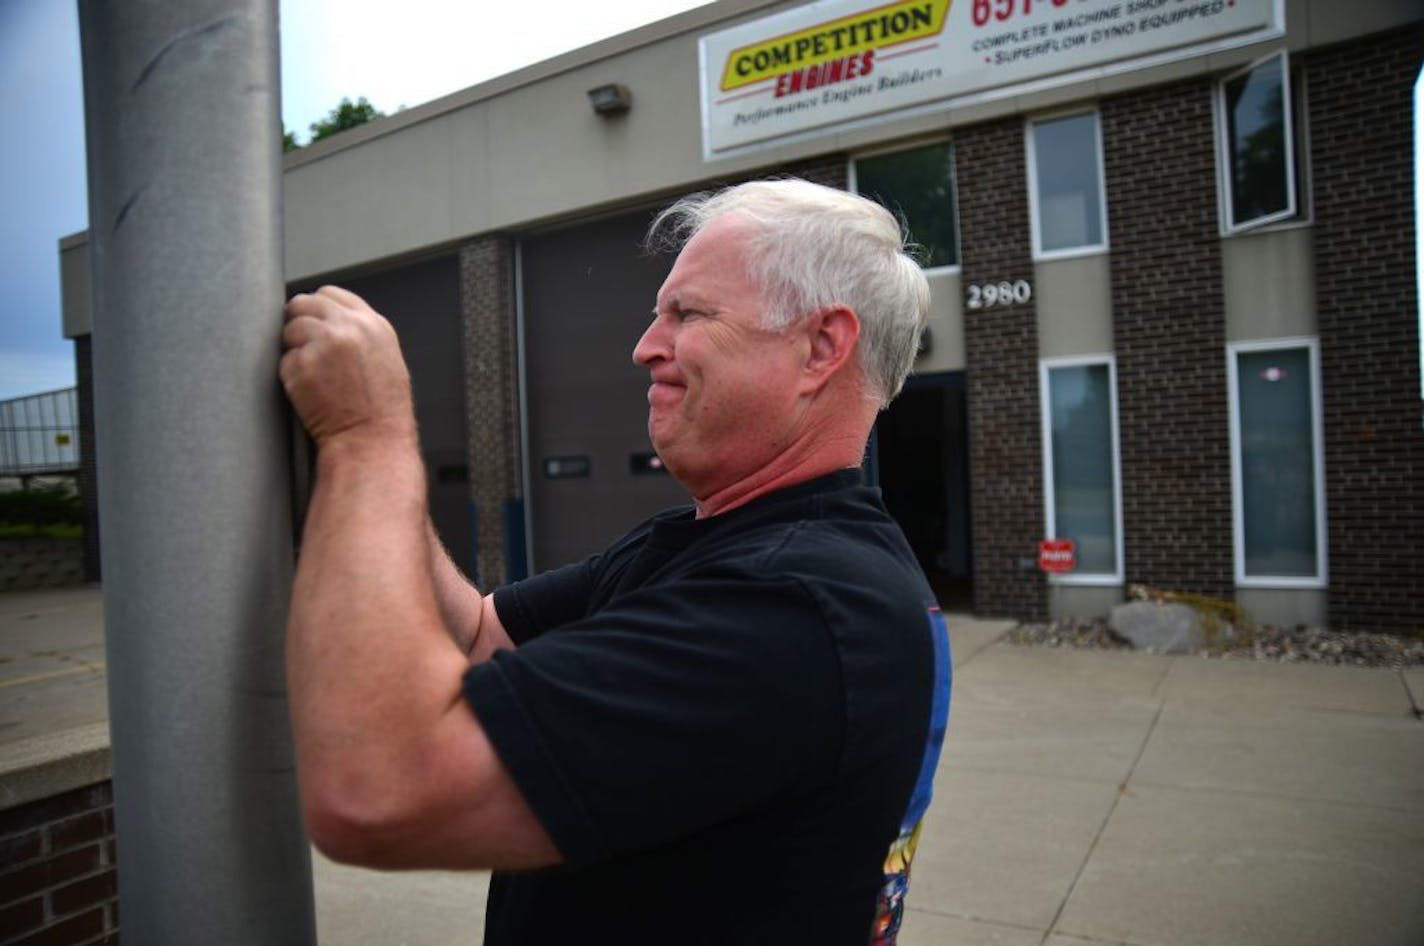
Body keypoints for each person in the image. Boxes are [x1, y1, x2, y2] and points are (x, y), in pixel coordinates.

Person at [279, 178, 952, 945]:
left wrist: (367, 438)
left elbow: (377, 791)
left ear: (821, 348)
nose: (644, 346)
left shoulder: (796, 603)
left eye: (688, 314)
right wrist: (348, 476)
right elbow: (474, 635)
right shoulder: (708, 545)